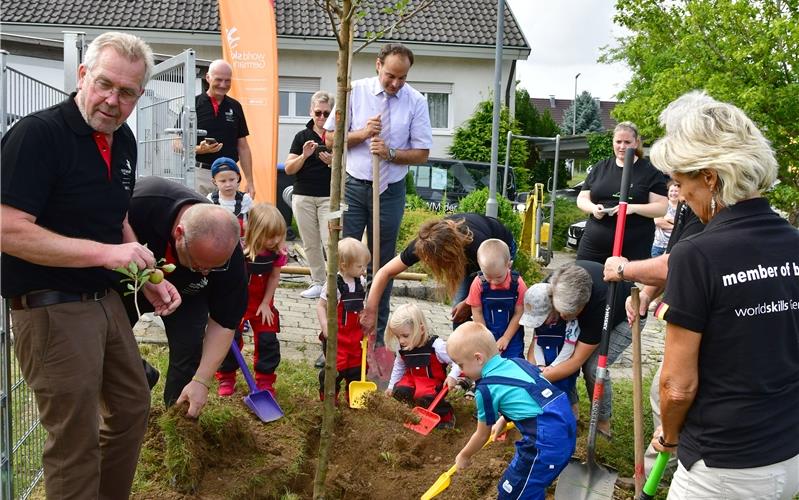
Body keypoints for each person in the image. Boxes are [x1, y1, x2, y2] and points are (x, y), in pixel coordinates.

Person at [0, 32, 180, 498]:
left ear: (140, 96)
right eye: (105, 84)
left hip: (104, 300)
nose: (112, 100)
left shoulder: (122, 141)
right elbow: (8, 229)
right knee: (74, 442)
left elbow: (114, 214)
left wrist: (146, 274)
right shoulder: (37, 136)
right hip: (50, 306)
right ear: (83, 76)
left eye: (127, 93)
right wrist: (107, 255)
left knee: (130, 407)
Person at [646, 91, 799, 498]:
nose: (682, 198)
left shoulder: (696, 255)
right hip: (788, 453)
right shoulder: (794, 243)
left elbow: (677, 386)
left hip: (723, 466)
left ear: (710, 177)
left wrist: (671, 434)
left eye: (681, 185)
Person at [324, 42, 432, 345]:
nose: (395, 83)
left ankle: (374, 340)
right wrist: (361, 134)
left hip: (390, 191)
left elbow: (422, 153)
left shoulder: (416, 101)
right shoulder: (354, 91)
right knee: (342, 257)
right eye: (390, 76)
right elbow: (331, 137)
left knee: (382, 266)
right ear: (378, 65)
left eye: (402, 78)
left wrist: (390, 152)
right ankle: (335, 336)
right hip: (354, 185)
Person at [126, 175, 248, 416]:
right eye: (199, 264)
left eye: (214, 268)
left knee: (189, 355)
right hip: (131, 283)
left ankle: (178, 419)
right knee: (108, 347)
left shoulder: (229, 254)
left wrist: (202, 381)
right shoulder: (142, 204)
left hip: (188, 294)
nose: (206, 271)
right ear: (179, 234)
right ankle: (139, 379)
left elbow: (225, 321)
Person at [447, 322, 576, 499]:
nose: (461, 372)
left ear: (478, 358)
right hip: (566, 424)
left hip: (546, 442)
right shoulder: (517, 363)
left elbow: (482, 435)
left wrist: (464, 455)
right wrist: (503, 419)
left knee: (514, 492)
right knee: (532, 483)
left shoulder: (485, 389)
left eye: (461, 365)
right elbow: (529, 393)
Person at [362, 213, 516, 335]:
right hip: (468, 260)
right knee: (459, 313)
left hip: (498, 254)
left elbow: (493, 278)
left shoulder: (477, 245)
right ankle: (463, 362)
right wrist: (370, 311)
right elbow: (384, 272)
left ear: (447, 256)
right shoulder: (424, 244)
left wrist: (469, 302)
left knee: (491, 308)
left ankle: (496, 355)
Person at [539, 261, 635, 439]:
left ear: (583, 304)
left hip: (625, 316)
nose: (562, 318)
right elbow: (541, 337)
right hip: (589, 310)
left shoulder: (599, 304)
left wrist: (538, 379)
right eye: (560, 312)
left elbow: (576, 360)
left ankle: (602, 423)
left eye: (568, 315)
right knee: (557, 356)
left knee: (593, 368)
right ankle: (572, 412)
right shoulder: (553, 284)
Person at [215, 203, 288, 397]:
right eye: (270, 236)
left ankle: (265, 381)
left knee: (268, 340)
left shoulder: (277, 251)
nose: (275, 240)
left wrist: (266, 303)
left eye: (278, 235)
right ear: (254, 231)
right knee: (230, 339)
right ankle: (226, 376)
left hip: (262, 301)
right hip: (238, 301)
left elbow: (274, 277)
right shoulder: (239, 246)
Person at [576, 121, 668, 263]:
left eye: (627, 142)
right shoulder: (601, 167)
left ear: (636, 143)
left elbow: (661, 207)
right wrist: (593, 208)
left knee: (628, 285)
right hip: (594, 244)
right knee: (583, 277)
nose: (622, 146)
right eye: (618, 141)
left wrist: (632, 208)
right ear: (613, 142)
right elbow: (582, 198)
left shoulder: (650, 171)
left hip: (634, 245)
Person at [285, 90, 335, 300]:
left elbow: (352, 168)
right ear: (311, 112)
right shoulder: (301, 136)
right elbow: (288, 169)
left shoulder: (339, 136)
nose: (322, 117)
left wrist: (332, 162)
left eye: (326, 113)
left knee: (330, 241)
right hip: (303, 195)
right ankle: (318, 282)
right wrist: (304, 156)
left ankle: (333, 284)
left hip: (329, 197)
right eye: (318, 112)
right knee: (310, 242)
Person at [386, 303, 461, 430]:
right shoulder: (402, 347)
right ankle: (413, 413)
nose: (401, 341)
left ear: (421, 329)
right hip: (412, 379)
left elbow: (458, 360)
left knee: (425, 397)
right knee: (400, 392)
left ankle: (446, 416)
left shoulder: (436, 346)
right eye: (398, 337)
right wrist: (391, 386)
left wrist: (453, 376)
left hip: (431, 383)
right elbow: (399, 366)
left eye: (405, 336)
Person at [316, 237, 371, 403]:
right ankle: (329, 398)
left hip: (356, 337)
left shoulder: (360, 282)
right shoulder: (334, 284)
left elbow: (360, 305)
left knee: (357, 369)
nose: (364, 269)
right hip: (337, 337)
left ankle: (353, 399)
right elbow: (320, 306)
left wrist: (364, 316)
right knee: (336, 370)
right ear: (343, 265)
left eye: (365, 265)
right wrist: (325, 327)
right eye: (360, 266)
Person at [194, 59, 255, 198]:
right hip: (201, 175)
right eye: (219, 79)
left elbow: (243, 147)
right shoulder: (192, 104)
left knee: (228, 219)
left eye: (227, 80)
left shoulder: (235, 106)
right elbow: (176, 143)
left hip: (229, 177)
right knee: (201, 218)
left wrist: (250, 181)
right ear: (208, 78)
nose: (223, 85)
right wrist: (199, 149)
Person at [465, 239, 527, 358]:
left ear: (509, 265)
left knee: (514, 362)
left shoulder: (518, 283)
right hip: (487, 331)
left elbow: (519, 313)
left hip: (512, 335)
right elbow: (477, 312)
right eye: (489, 277)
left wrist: (506, 338)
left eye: (498, 277)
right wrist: (486, 337)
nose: (494, 282)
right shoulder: (478, 283)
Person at [521, 283, 580, 406]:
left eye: (542, 317)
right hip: (546, 366)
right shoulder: (540, 325)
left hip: (563, 365)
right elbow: (537, 344)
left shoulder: (569, 321)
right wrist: (541, 364)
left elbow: (568, 349)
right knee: (546, 394)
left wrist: (553, 367)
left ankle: (571, 418)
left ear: (554, 308)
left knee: (565, 394)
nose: (540, 322)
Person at [207, 156, 253, 232]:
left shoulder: (245, 199)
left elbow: (254, 223)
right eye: (223, 181)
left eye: (231, 180)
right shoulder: (210, 199)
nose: (228, 184)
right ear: (214, 181)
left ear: (238, 178)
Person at [650, 181, 679, 257]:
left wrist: (668, 219)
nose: (673, 193)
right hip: (658, 247)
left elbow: (684, 223)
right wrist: (676, 227)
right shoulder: (664, 205)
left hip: (674, 247)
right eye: (671, 191)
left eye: (676, 191)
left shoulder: (683, 207)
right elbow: (658, 221)